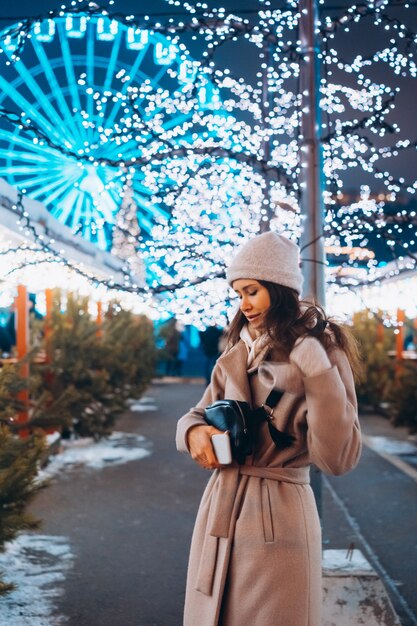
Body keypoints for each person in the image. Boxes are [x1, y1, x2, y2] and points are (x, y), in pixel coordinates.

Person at [176, 231, 362, 626]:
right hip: (221, 510)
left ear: (278, 289)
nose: (243, 304)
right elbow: (197, 413)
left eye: (252, 291)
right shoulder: (236, 353)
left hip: (278, 517)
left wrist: (318, 375)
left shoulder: (321, 350)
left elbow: (338, 458)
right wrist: (193, 434)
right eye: (238, 293)